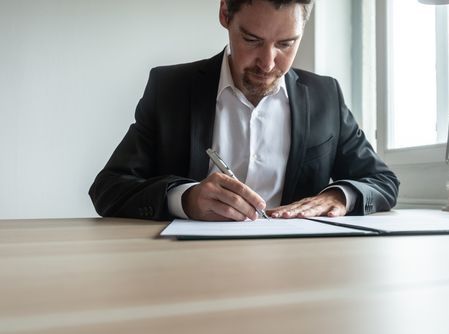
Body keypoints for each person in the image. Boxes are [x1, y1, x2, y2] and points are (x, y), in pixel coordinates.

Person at [89, 0, 399, 221]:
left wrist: (338, 197)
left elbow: (383, 181)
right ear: (225, 13)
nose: (267, 63)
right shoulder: (170, 88)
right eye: (252, 40)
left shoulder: (324, 96)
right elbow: (109, 188)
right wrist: (185, 199)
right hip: (187, 268)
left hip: (299, 266)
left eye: (286, 44)